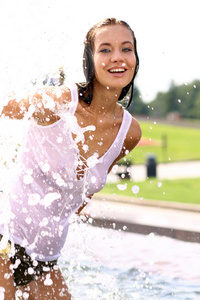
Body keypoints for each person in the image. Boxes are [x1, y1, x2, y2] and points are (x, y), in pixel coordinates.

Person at [0, 17, 141, 299]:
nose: (117, 57)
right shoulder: (60, 102)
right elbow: (5, 105)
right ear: (89, 59)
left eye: (126, 49)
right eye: (105, 49)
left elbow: (81, 192)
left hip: (44, 257)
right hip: (4, 237)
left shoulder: (129, 132)